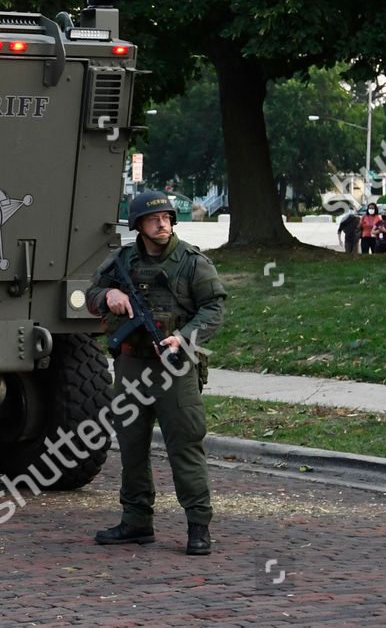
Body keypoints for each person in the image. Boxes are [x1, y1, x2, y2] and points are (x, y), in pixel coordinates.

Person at [87, 190, 226, 556]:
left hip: (174, 370)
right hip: (132, 366)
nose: (162, 223)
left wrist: (183, 338)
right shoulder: (124, 261)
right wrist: (108, 298)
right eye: (153, 219)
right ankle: (136, 520)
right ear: (138, 226)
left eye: (166, 217)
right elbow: (92, 291)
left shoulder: (192, 262)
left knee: (185, 445)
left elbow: (214, 308)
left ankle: (198, 525)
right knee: (132, 445)